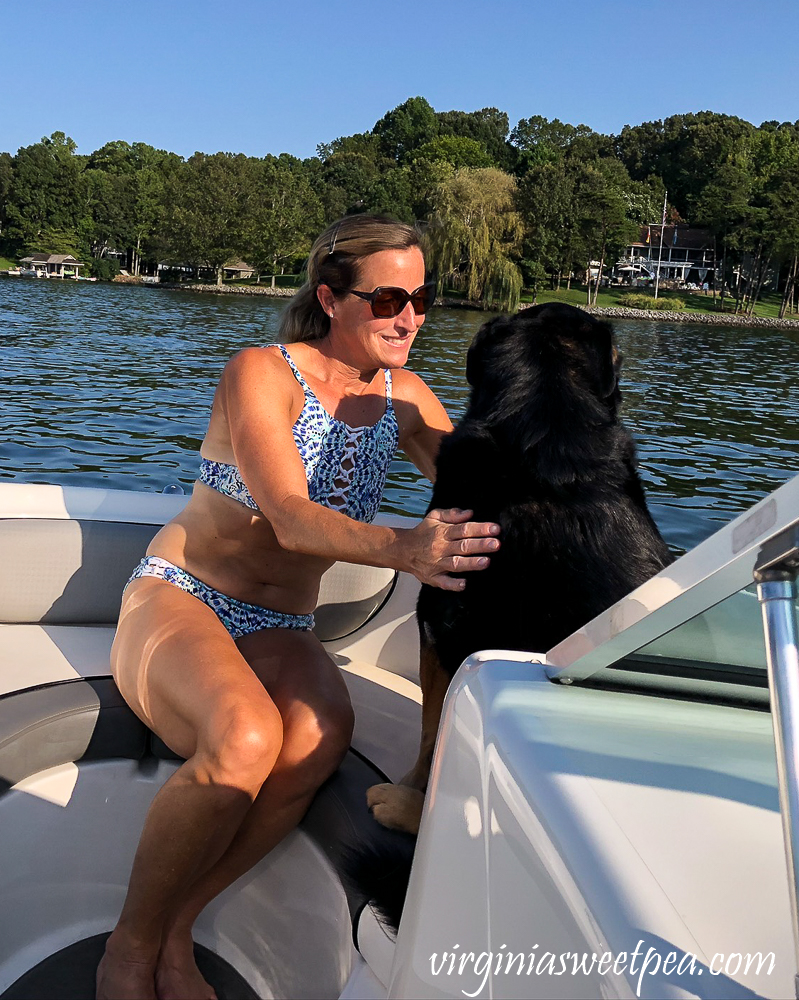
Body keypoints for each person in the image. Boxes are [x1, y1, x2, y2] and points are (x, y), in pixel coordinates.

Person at [96, 215, 501, 1000]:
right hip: (185, 596)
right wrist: (405, 548)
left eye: (422, 298)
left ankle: (180, 929)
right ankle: (130, 943)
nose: (408, 317)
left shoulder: (408, 399)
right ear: (331, 297)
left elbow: (484, 491)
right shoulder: (263, 372)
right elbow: (285, 512)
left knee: (318, 738)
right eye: (387, 299)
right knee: (247, 738)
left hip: (281, 624)